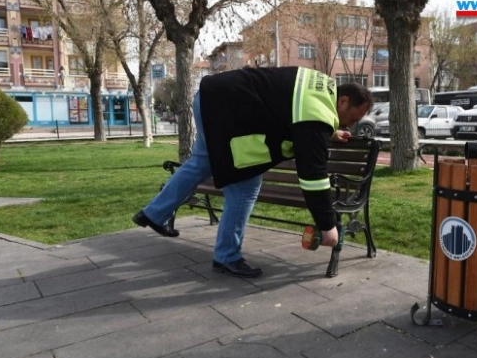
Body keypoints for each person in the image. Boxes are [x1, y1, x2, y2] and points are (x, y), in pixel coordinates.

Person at [133, 66, 373, 278]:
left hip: (209, 97)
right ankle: (227, 256)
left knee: (200, 162)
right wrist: (327, 225)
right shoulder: (316, 114)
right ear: (343, 101)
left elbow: (293, 112)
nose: (350, 125)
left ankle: (153, 214)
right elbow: (313, 176)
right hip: (226, 111)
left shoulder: (320, 87)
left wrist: (331, 132)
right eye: (353, 117)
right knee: (245, 186)